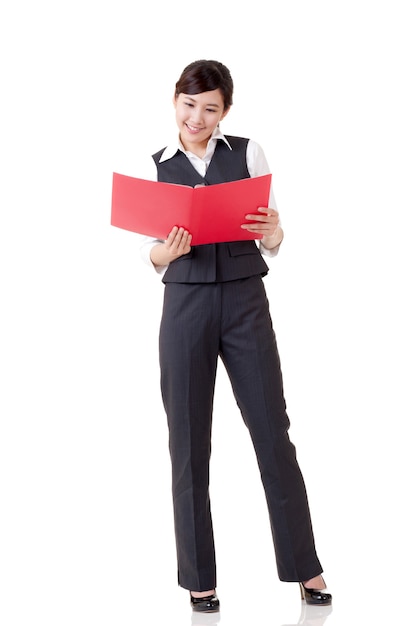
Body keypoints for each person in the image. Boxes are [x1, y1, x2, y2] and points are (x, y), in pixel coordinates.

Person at [138, 59, 332, 613]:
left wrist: (275, 232)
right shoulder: (153, 164)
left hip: (246, 301)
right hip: (185, 306)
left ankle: (305, 566)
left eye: (210, 108)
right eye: (188, 103)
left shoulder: (247, 153)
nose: (196, 117)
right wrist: (164, 252)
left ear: (226, 111)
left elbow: (269, 229)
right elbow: (148, 254)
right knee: (189, 442)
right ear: (174, 100)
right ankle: (200, 579)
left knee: (273, 431)